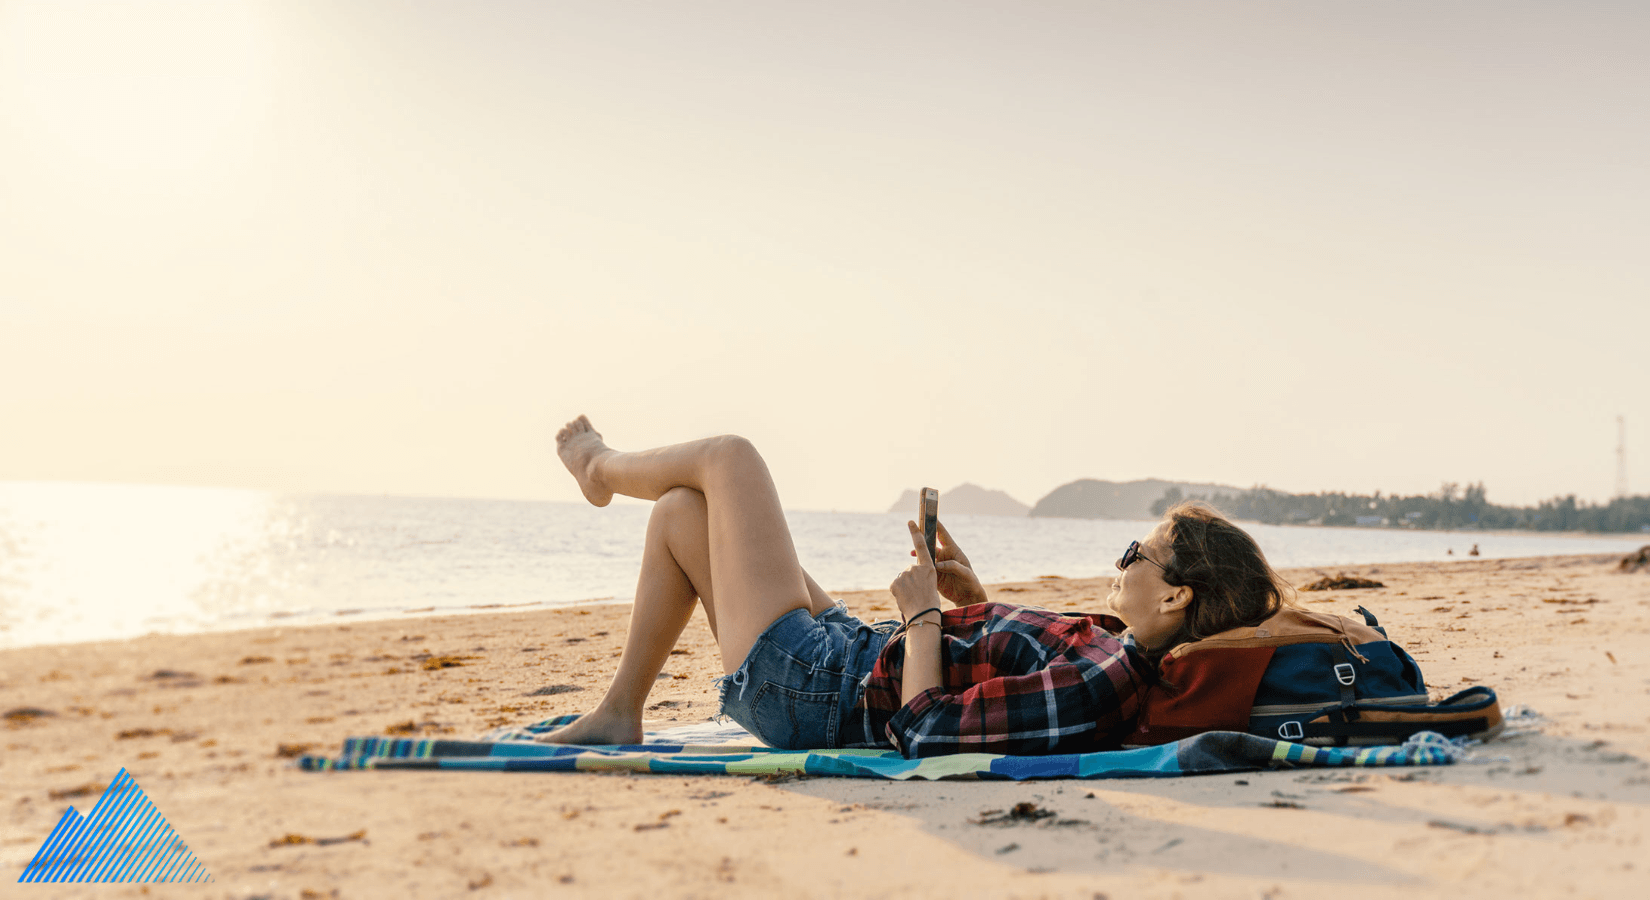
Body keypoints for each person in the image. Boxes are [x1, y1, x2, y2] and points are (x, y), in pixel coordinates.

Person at [539, 415, 1287, 757]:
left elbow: (925, 731)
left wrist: (925, 614)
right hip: (849, 657)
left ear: (1174, 596)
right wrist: (970, 600)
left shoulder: (1106, 680)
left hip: (817, 691)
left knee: (730, 457)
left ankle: (598, 468)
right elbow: (1007, 676)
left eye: (1138, 552)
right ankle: (620, 711)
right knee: (682, 513)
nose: (1121, 562)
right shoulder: (1115, 653)